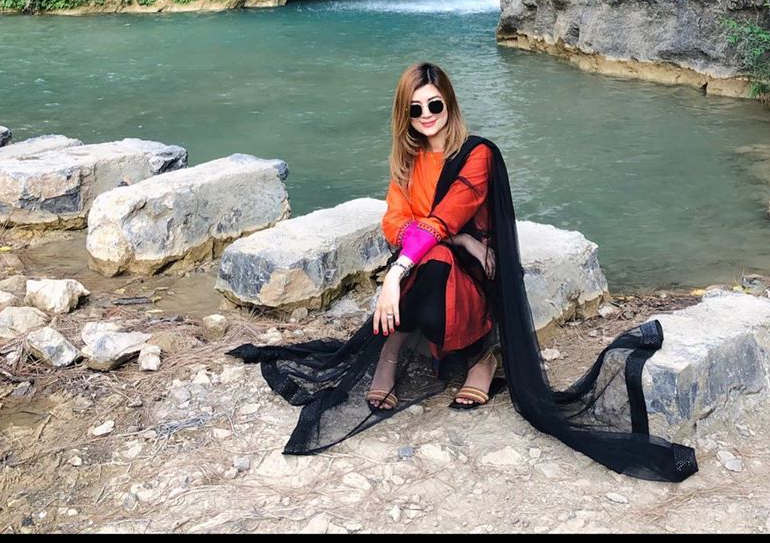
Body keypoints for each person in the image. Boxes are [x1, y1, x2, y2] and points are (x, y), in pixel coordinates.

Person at [227, 61, 699, 482]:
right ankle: (400, 348)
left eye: (435, 103)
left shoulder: (478, 154)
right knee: (429, 260)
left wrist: (398, 273)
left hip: (474, 272)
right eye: (416, 109)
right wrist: (448, 239)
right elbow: (395, 221)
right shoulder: (407, 161)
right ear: (405, 116)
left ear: (449, 102)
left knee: (427, 265)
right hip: (430, 258)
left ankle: (479, 353)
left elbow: (447, 213)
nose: (427, 114)